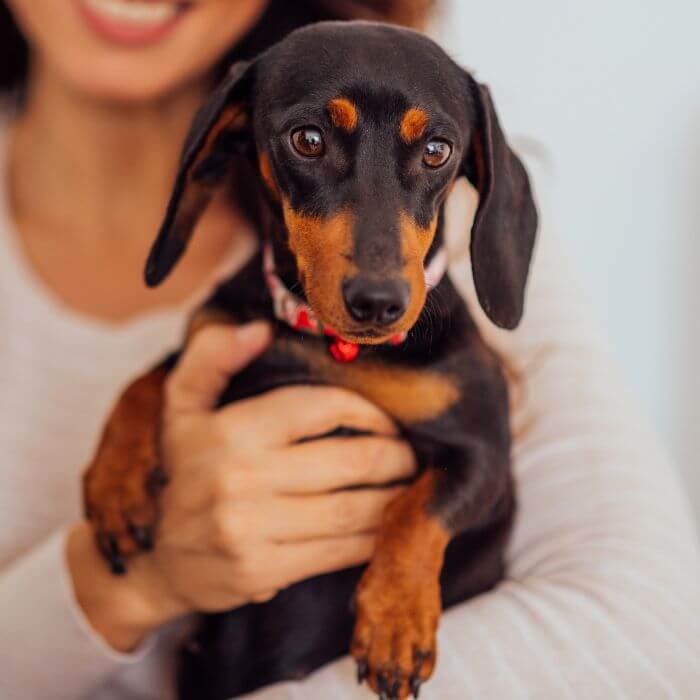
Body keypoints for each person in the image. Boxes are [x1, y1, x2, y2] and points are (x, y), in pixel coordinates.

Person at [0, 1, 697, 698]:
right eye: (309, 142)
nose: (378, 275)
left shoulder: (479, 286)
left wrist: (410, 545)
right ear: (231, 137)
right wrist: (123, 585)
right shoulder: (234, 312)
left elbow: (653, 630)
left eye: (432, 155)